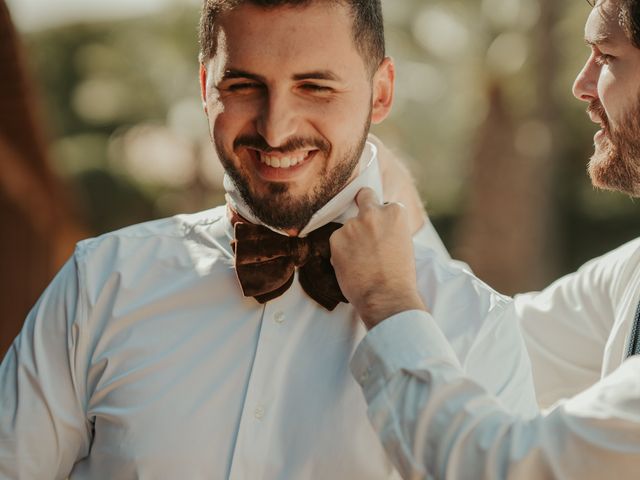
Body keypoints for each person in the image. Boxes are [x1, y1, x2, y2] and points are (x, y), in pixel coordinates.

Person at [0, 1, 538, 478]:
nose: (276, 129)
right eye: (243, 86)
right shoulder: (100, 283)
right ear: (204, 89)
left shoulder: (474, 327)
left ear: (381, 93)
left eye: (315, 86)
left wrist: (390, 309)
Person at [330, 0, 640, 478]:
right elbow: (493, 340)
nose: (581, 85)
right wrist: (400, 207)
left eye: (606, 55)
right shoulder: (632, 272)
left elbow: (502, 467)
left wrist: (385, 298)